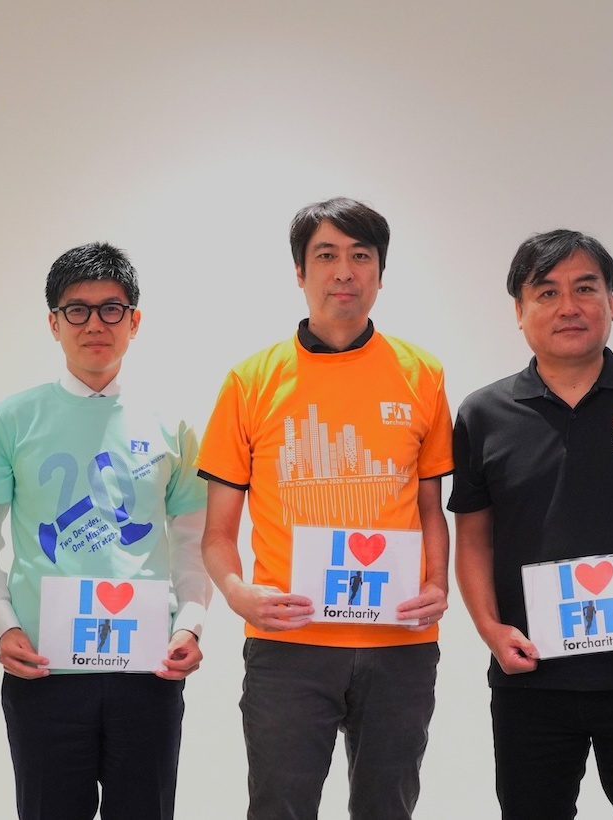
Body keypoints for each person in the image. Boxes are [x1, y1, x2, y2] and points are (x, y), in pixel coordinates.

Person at [197, 197, 453, 820]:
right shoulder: (251, 381)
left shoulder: (422, 375)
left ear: (380, 273)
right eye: (326, 255)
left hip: (399, 640)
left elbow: (432, 509)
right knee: (279, 808)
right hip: (289, 642)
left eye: (361, 256)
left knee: (387, 808)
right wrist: (238, 593)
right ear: (300, 271)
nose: (344, 271)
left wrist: (437, 584)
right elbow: (217, 533)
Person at [449, 229, 613, 820]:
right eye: (546, 292)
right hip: (529, 677)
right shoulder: (483, 414)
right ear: (519, 312)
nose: (568, 306)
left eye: (586, 288)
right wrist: (490, 629)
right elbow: (472, 538)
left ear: (611, 302)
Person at [0, 242, 210, 820]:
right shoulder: (10, 418)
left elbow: (193, 540)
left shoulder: (173, 424)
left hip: (148, 666)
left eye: (111, 309)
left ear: (134, 321)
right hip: (44, 667)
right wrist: (4, 627)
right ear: (54, 323)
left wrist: (190, 625)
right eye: (77, 310)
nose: (95, 324)